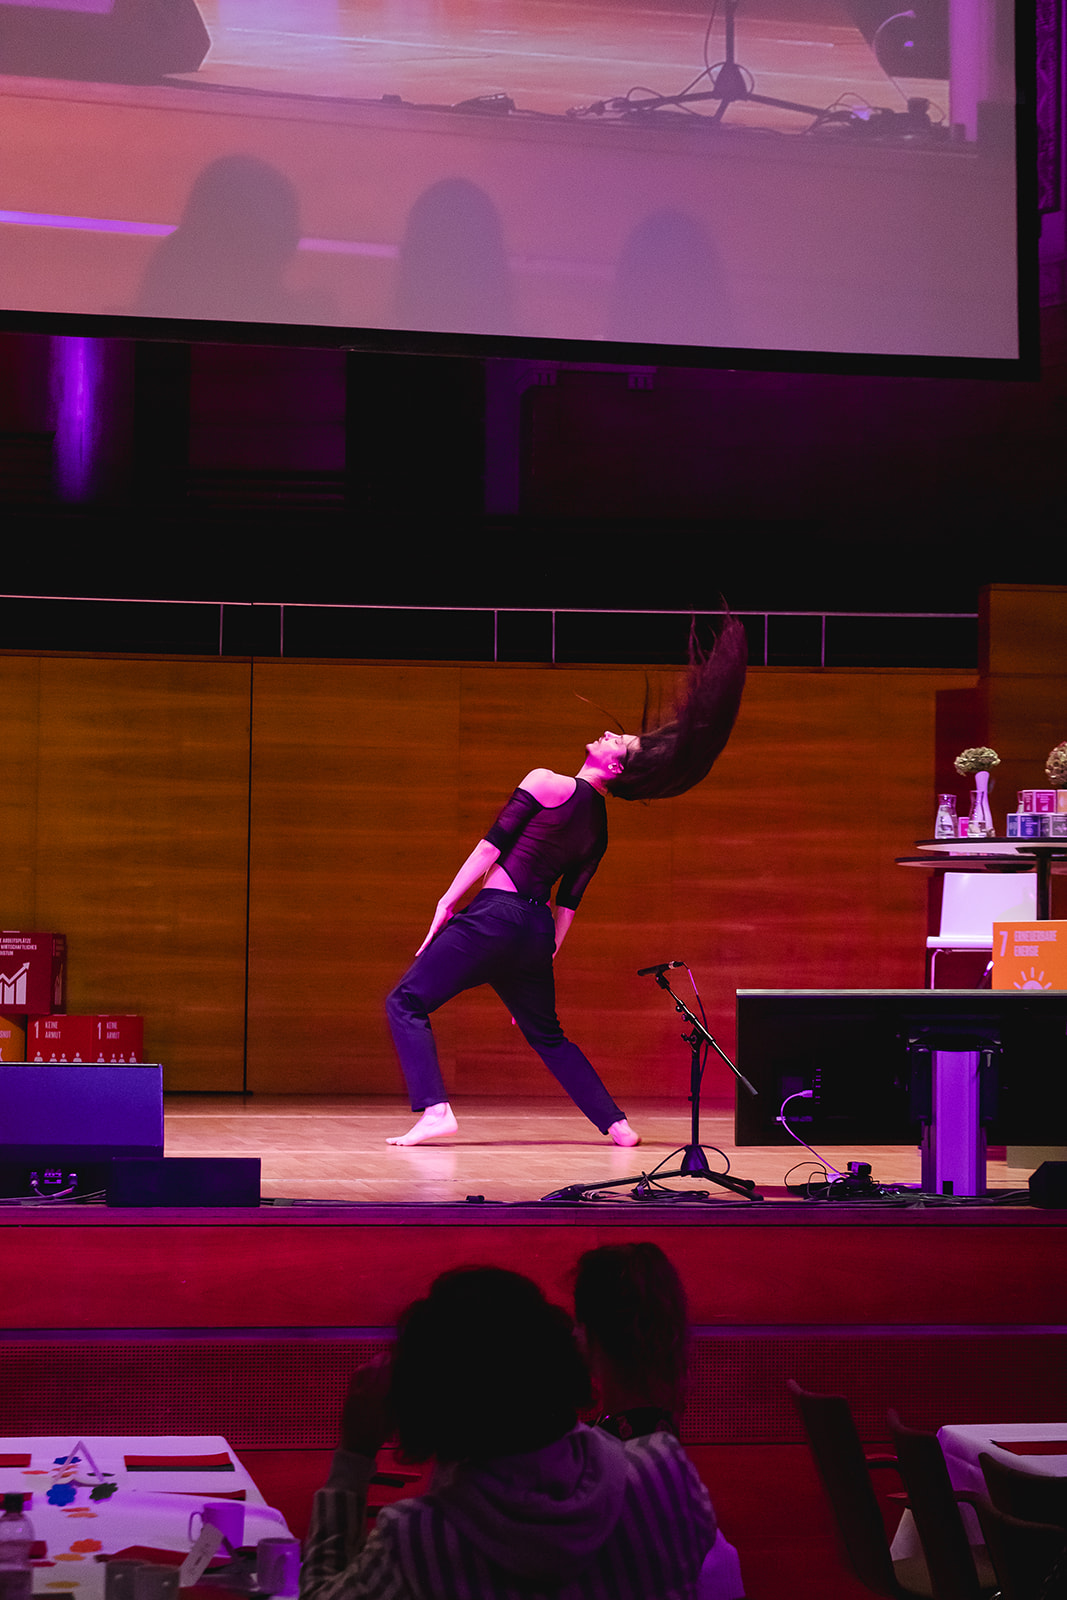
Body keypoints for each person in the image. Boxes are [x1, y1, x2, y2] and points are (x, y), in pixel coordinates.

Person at [385, 613, 748, 1147]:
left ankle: (436, 1109)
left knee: (405, 1002)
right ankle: (617, 1125)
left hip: (493, 919)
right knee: (548, 1035)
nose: (609, 733)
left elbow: (490, 848)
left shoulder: (546, 781)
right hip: (533, 934)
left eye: (618, 741)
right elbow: (568, 905)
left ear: (616, 768)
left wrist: (446, 902)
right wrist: (539, 962)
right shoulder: (600, 829)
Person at [299, 1266, 718, 1600]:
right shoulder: (663, 1470)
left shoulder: (416, 1540)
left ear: (422, 1399)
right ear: (562, 1356)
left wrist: (354, 1455)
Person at [574, 1241, 689, 1440]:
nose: (573, 1332)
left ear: (590, 1330)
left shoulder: (593, 1448)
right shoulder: (661, 1432)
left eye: (577, 1321)